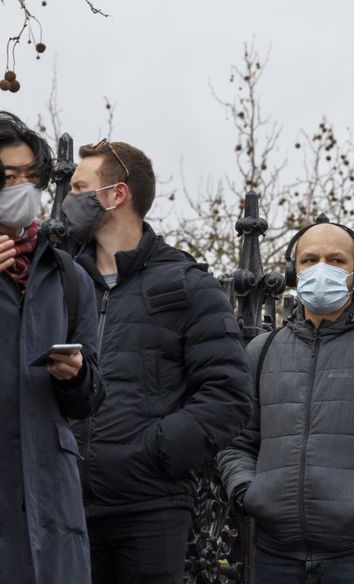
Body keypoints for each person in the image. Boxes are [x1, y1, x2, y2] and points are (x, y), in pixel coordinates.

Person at [65, 138, 251, 584]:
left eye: (77, 187)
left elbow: (229, 396)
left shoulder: (187, 285)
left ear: (115, 194)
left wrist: (154, 452)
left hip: (149, 510)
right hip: (66, 503)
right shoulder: (64, 280)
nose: (66, 200)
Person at [218, 221, 354, 583]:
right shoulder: (262, 350)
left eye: (336, 260)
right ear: (293, 272)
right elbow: (235, 441)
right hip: (275, 555)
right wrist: (249, 492)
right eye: (310, 259)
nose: (322, 268)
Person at [0, 111, 104, 583]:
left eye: (30, 177)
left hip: (50, 499)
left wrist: (77, 375)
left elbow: (90, 399)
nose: (21, 188)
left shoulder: (68, 275)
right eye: (7, 177)